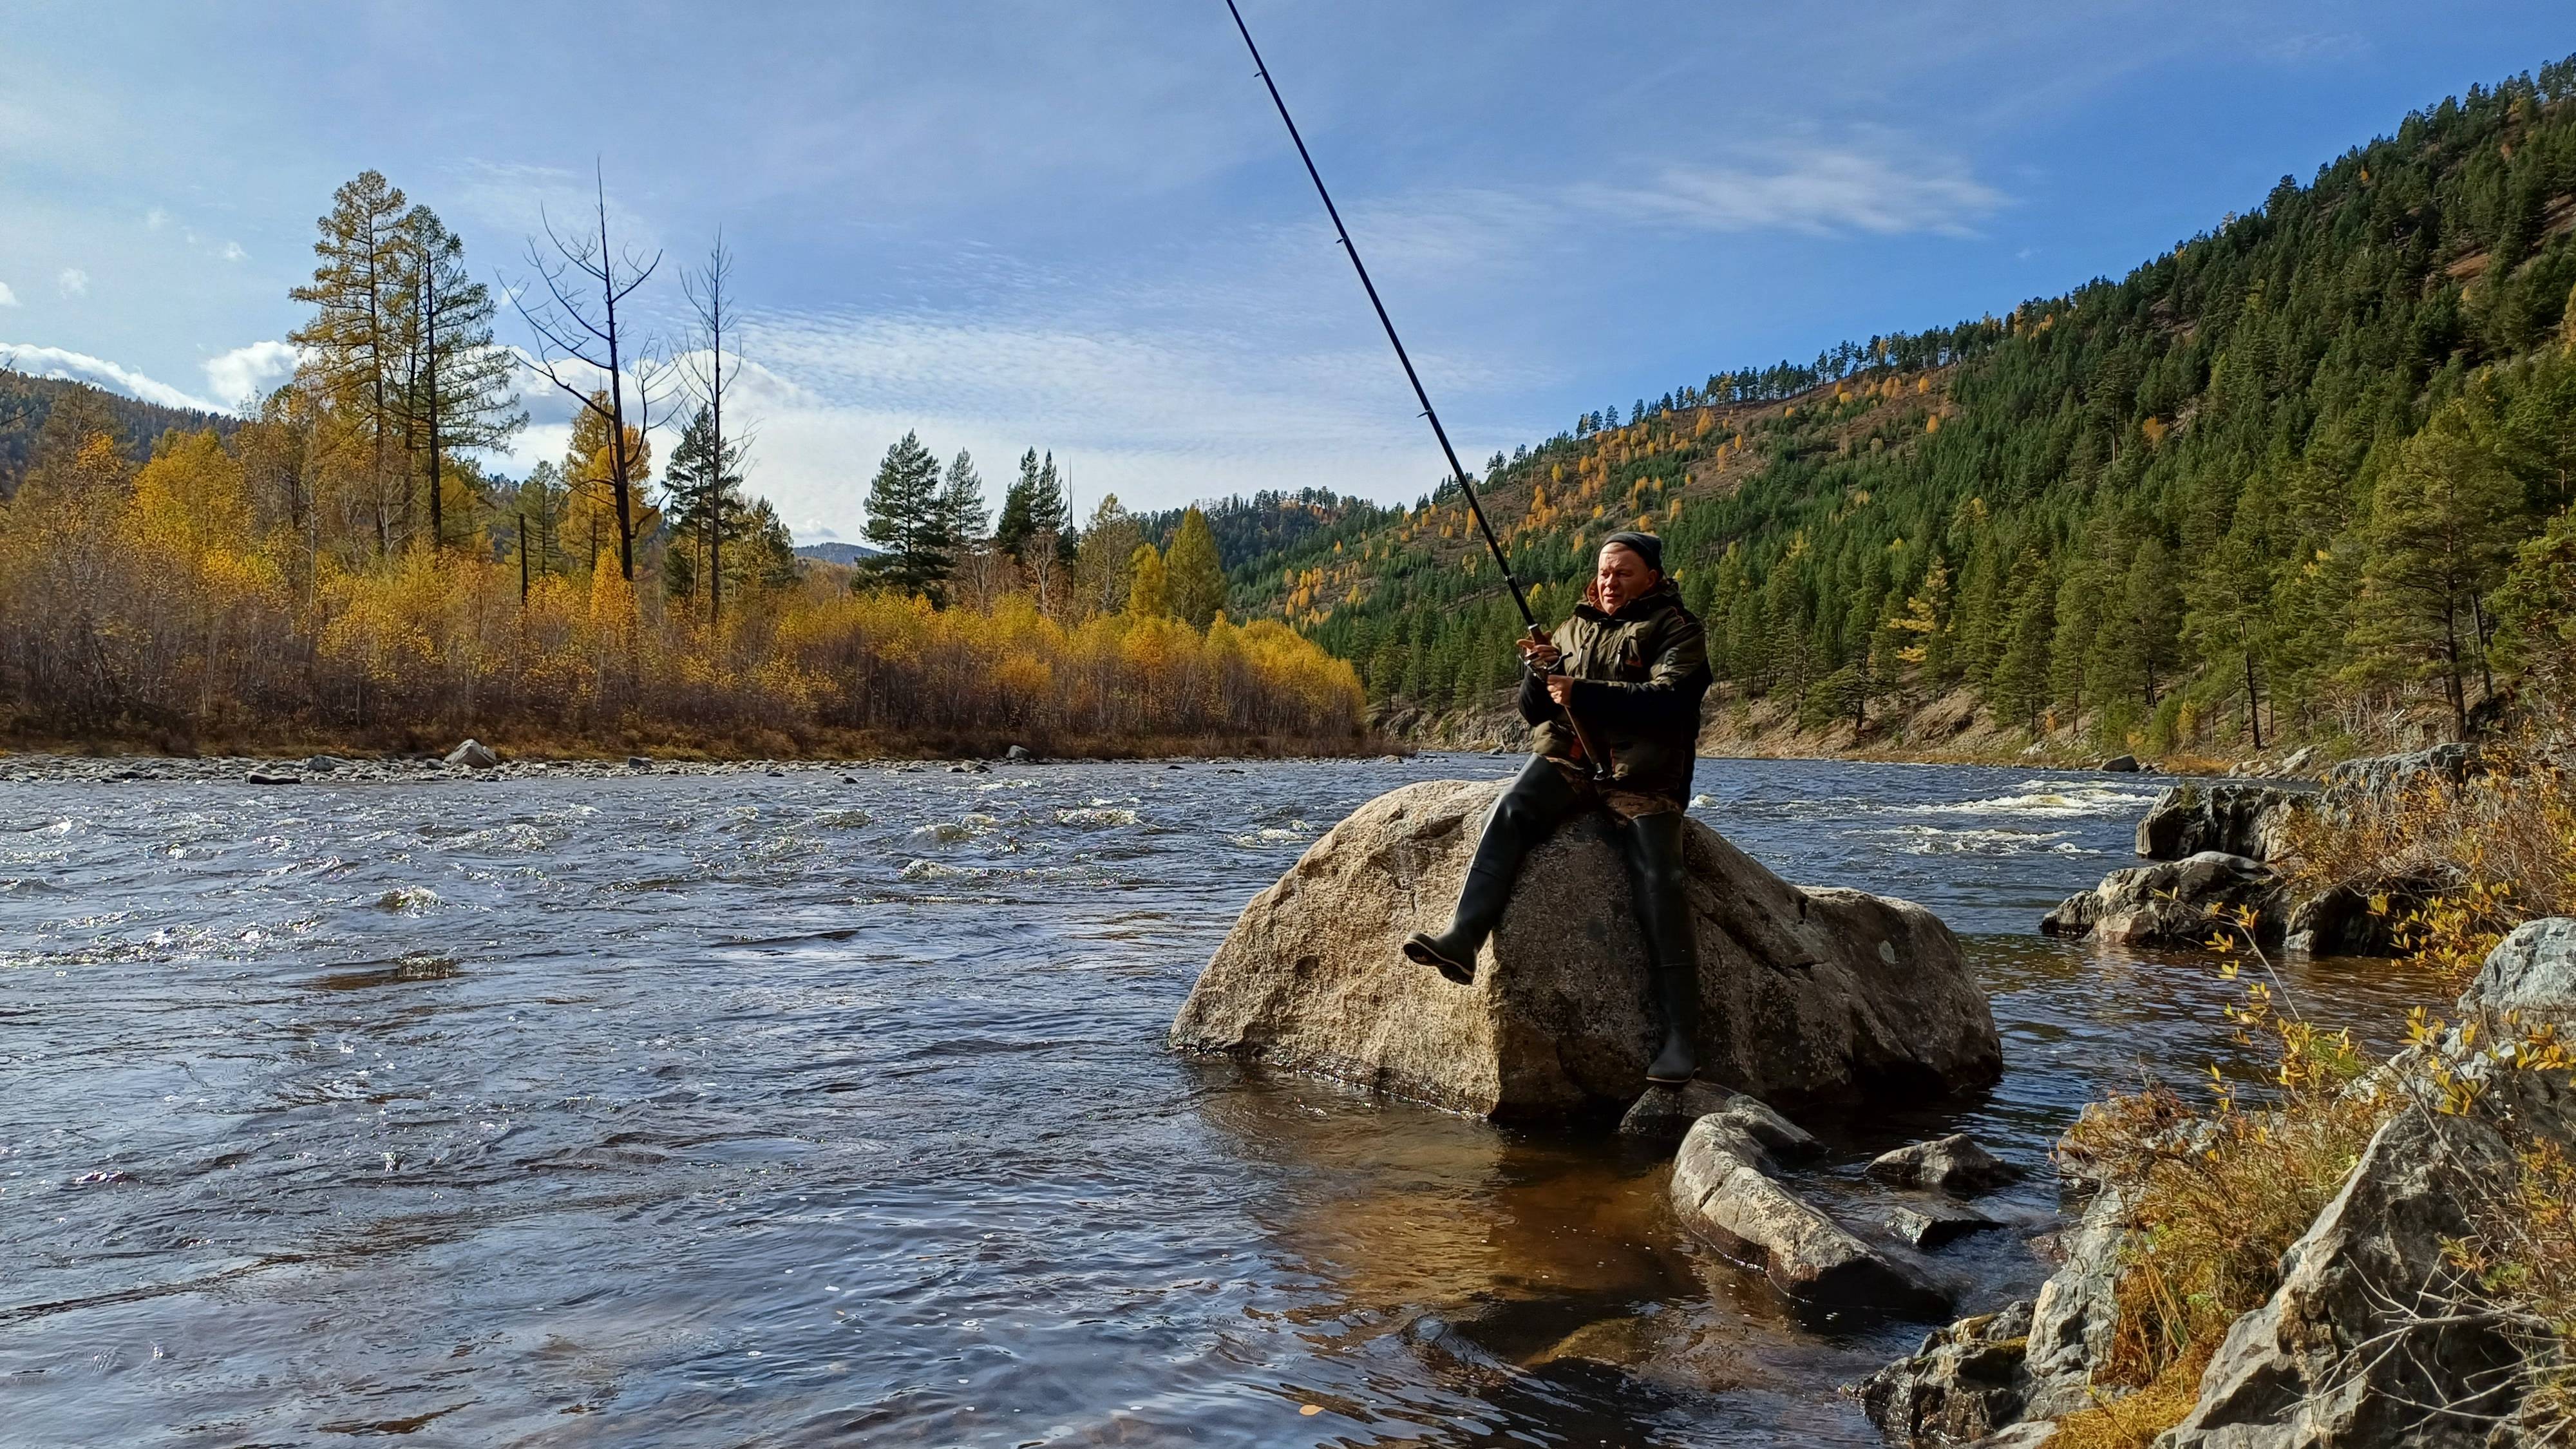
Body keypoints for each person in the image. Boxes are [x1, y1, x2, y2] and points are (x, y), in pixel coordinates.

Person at [1401, 531, 1713, 1084]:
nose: (1611, 582)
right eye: (1604, 572)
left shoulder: (1677, 628)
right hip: (1570, 761)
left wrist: (1584, 691)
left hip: (1643, 773)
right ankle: (1462, 940)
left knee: (1659, 882)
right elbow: (1532, 712)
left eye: (1624, 573)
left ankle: (1682, 1041)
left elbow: (1673, 702)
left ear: (1652, 577)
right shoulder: (1573, 628)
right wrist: (1538, 673)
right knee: (1513, 810)